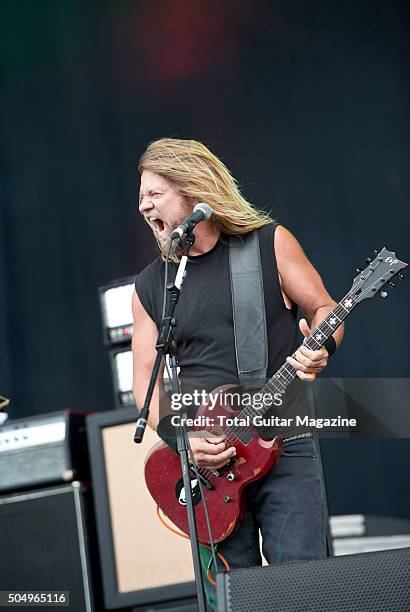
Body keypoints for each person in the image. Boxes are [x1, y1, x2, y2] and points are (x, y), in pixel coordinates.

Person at [132, 138, 344, 608]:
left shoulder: (268, 244)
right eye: (141, 196)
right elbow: (144, 384)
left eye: (154, 193)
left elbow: (326, 308)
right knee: (233, 598)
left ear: (192, 189)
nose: (143, 205)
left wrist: (322, 345)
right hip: (210, 466)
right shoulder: (153, 286)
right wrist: (182, 439)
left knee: (305, 588)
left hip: (284, 440)